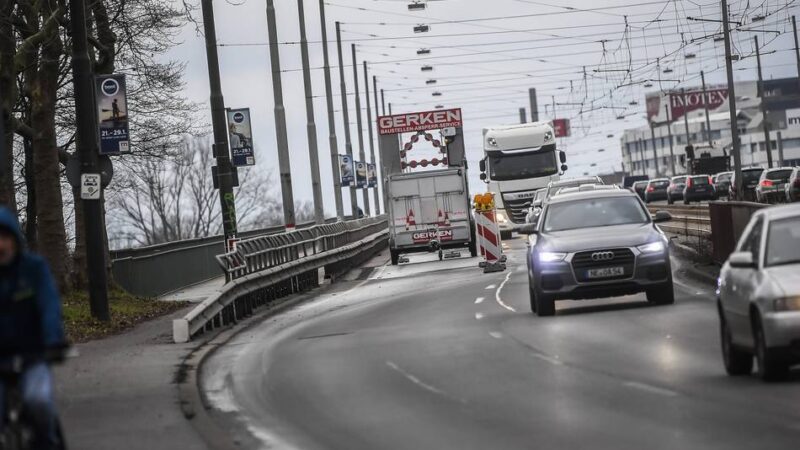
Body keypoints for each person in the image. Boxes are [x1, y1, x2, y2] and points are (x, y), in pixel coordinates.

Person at [0, 207, 66, 449]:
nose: (0, 246)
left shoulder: (33, 269)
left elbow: (48, 305)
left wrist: (53, 340)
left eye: (5, 238)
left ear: (15, 240)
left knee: (38, 402)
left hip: (33, 355)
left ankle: (48, 442)